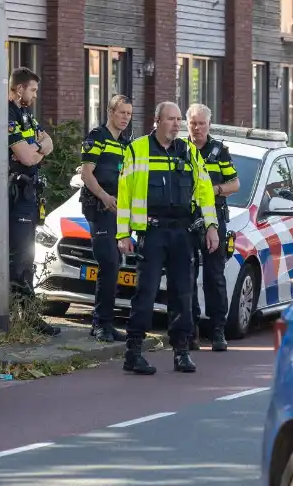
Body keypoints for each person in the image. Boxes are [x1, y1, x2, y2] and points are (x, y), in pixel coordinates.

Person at [116, 101, 220, 375]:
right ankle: (133, 352)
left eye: (178, 120)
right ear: (157, 121)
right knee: (146, 292)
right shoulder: (138, 149)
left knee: (182, 294)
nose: (177, 124)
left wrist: (211, 226)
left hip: (182, 233)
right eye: (171, 119)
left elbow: (205, 191)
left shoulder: (189, 152)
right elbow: (124, 194)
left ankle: (181, 351)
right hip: (151, 232)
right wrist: (123, 233)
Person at [7, 67, 60, 337]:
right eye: (33, 89)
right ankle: (16, 318)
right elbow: (28, 157)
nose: (35, 95)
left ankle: (27, 316)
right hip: (15, 193)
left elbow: (47, 142)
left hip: (29, 194)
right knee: (18, 258)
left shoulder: (26, 114)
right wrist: (38, 151)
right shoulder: (8, 114)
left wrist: (36, 150)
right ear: (19, 89)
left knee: (27, 257)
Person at [185, 103, 239, 352]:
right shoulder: (179, 149)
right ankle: (191, 331)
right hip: (185, 217)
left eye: (201, 123)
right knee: (186, 276)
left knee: (214, 276)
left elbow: (235, 184)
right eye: (193, 123)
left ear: (209, 125)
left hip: (214, 218)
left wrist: (212, 191)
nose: (197, 128)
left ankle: (218, 330)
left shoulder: (219, 151)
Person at [80, 95, 133, 343]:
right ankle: (101, 323)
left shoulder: (125, 143)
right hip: (98, 207)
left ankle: (105, 323)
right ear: (111, 112)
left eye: (129, 114)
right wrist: (104, 197)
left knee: (114, 266)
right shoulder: (97, 136)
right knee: (109, 263)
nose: (125, 118)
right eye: (122, 112)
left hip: (116, 210)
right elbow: (86, 174)